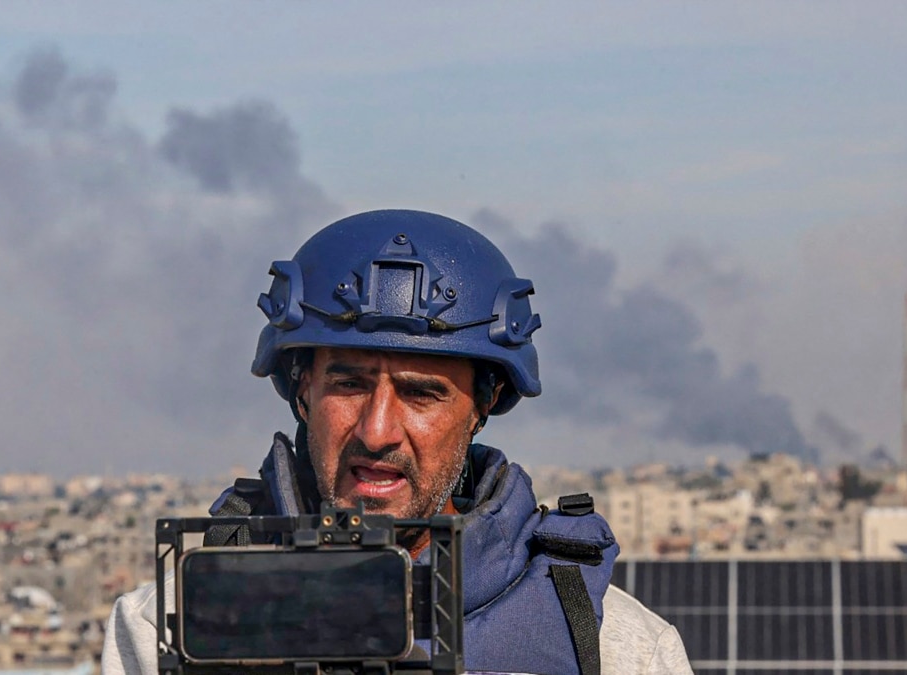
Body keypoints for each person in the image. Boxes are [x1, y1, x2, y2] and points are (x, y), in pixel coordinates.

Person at [102, 210, 693, 674]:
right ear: (301, 389)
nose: (377, 431)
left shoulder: (612, 644)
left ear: (482, 405)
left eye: (421, 393)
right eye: (349, 384)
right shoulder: (169, 625)